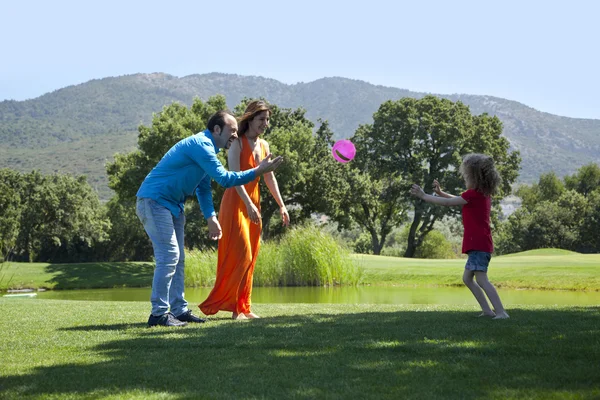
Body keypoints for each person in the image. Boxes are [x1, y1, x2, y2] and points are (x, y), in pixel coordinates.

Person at [136, 110, 284, 327]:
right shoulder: (202, 145)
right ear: (217, 130)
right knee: (169, 256)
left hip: (172, 205)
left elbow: (204, 188)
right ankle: (158, 313)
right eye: (231, 130)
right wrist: (257, 171)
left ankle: (179, 310)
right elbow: (224, 179)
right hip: (154, 201)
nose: (235, 134)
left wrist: (211, 217)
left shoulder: (208, 151)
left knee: (179, 260)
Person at [200, 100, 290, 320]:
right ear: (250, 119)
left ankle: (244, 307)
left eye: (267, 120)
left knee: (251, 257)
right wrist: (248, 203)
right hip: (236, 203)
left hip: (254, 203)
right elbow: (233, 177)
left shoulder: (264, 145)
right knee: (242, 254)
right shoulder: (236, 143)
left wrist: (281, 205)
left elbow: (269, 176)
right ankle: (234, 309)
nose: (265, 123)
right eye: (261, 119)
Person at [409, 153, 510, 319]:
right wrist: (441, 193)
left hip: (478, 244)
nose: (465, 179)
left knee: (482, 280)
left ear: (475, 178)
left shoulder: (473, 195)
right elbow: (457, 199)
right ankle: (487, 311)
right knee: (468, 279)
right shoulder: (480, 194)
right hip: (480, 243)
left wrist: (423, 196)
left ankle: (501, 312)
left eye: (467, 176)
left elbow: (451, 203)